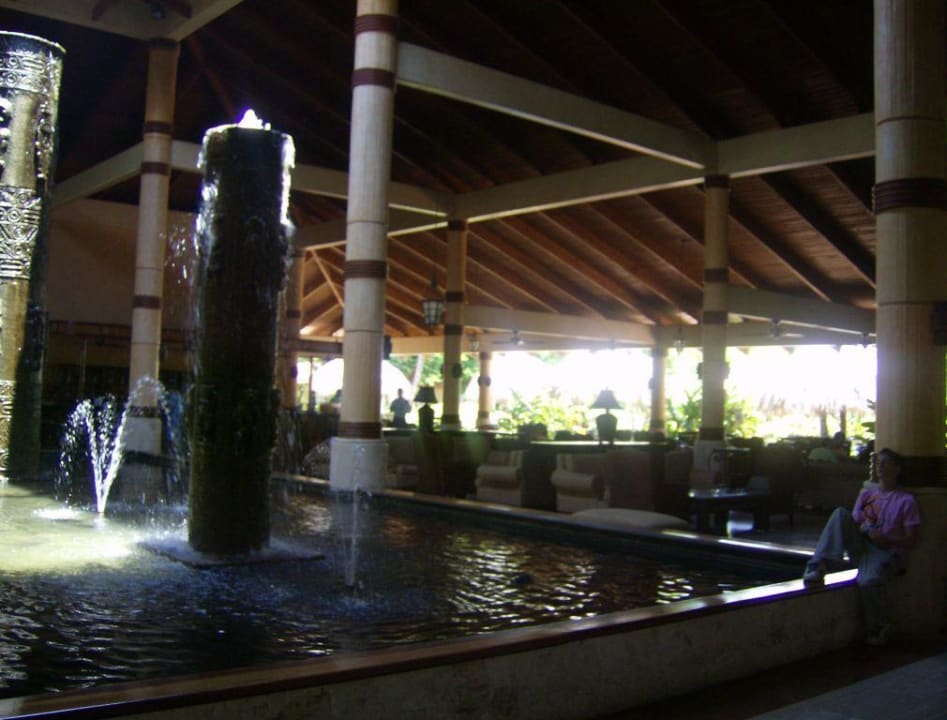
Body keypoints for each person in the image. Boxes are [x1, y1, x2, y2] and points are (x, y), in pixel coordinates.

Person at [802, 447, 921, 646]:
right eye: (877, 464)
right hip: (863, 545)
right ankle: (818, 565)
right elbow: (855, 521)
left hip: (885, 553)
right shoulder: (867, 495)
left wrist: (886, 538)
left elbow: (911, 539)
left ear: (897, 469)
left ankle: (879, 625)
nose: (880, 468)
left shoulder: (906, 501)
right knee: (840, 514)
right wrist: (865, 530)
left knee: (868, 582)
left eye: (885, 464)